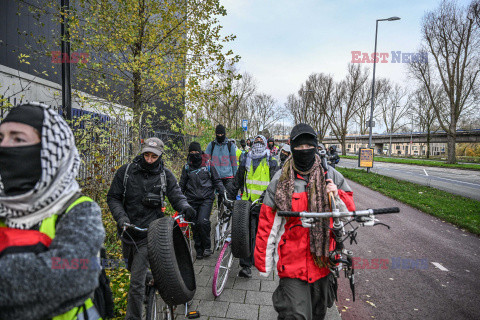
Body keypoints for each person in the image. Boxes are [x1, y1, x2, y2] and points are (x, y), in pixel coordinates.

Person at [0, 102, 105, 320]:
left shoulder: (79, 210)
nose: (5, 147)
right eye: (1, 138)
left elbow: (71, 276)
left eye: (18, 139)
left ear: (50, 149)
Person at [254, 123, 355, 320]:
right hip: (291, 266)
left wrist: (336, 197)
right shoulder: (279, 180)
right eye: (299, 147)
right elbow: (267, 224)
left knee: (318, 314)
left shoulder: (331, 175)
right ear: (291, 148)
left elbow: (349, 213)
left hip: (323, 263)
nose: (304, 151)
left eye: (308, 146)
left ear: (316, 147)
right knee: (295, 315)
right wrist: (263, 263)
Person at [107, 137, 196, 320]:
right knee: (131, 268)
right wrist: (122, 219)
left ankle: (133, 317)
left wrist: (185, 207)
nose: (149, 159)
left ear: (160, 155)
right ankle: (154, 280)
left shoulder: (166, 175)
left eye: (153, 156)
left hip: (151, 233)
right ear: (142, 152)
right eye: (146, 154)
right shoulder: (126, 172)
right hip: (128, 232)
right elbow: (113, 197)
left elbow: (176, 195)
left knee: (135, 283)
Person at [235, 135, 278, 278]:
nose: (258, 144)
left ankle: (256, 259)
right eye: (256, 141)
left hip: (262, 204)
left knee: (257, 234)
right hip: (246, 203)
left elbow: (274, 183)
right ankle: (246, 266)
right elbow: (239, 178)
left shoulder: (271, 160)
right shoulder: (245, 158)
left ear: (265, 144)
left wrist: (266, 198)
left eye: (261, 142)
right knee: (244, 233)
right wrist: (230, 194)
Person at [179, 141, 226, 259]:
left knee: (203, 222)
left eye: (196, 152)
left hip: (206, 198)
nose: (194, 154)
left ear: (201, 152)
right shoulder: (186, 167)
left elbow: (216, 180)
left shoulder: (208, 164)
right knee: (194, 224)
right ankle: (198, 249)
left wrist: (223, 193)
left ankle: (207, 247)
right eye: (192, 152)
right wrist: (179, 201)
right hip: (191, 199)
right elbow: (181, 185)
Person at [205, 125, 238, 202]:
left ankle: (229, 212)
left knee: (229, 198)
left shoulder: (230, 145)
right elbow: (205, 160)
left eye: (221, 134)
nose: (220, 136)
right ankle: (220, 212)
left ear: (224, 134)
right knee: (219, 199)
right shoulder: (211, 145)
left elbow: (234, 162)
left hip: (228, 177)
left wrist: (235, 177)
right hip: (216, 177)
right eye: (218, 134)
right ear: (215, 134)